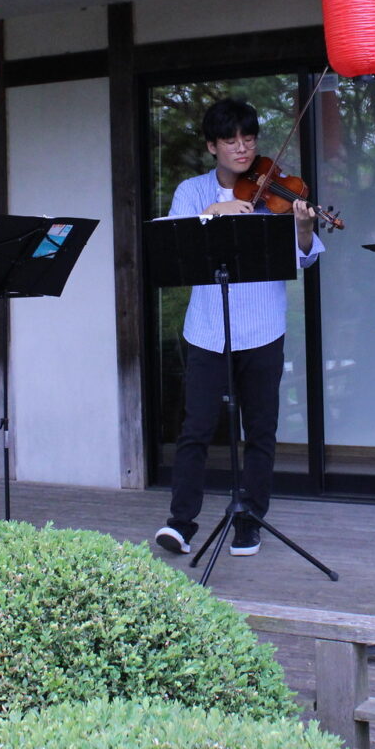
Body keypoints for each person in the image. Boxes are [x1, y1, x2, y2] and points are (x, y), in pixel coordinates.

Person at [153, 97, 324, 559]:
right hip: (208, 329)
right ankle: (180, 522)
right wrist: (216, 211)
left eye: (248, 139)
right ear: (213, 146)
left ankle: (250, 520)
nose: (242, 149)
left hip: (263, 326)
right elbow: (176, 241)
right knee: (196, 428)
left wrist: (304, 228)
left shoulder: (276, 194)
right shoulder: (192, 191)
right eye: (231, 140)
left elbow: (304, 255)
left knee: (261, 429)